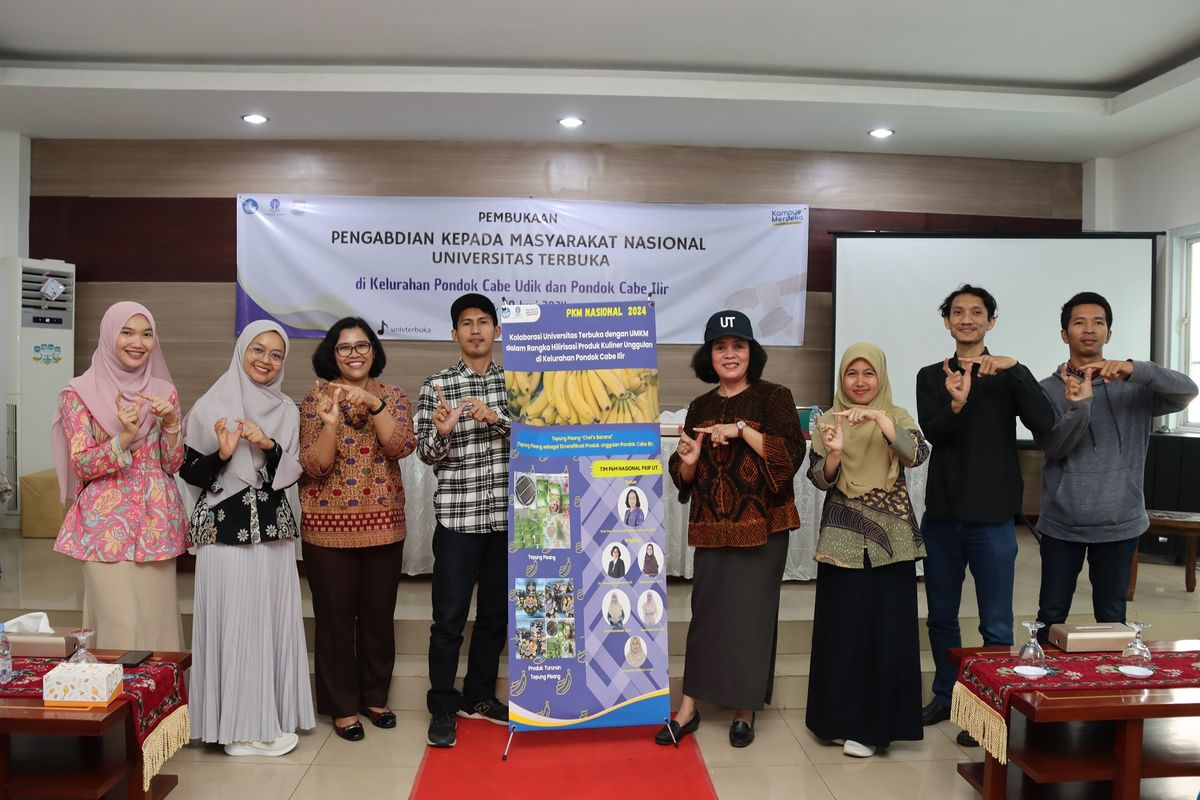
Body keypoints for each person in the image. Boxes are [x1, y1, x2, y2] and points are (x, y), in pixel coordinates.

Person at [915, 285, 1055, 747]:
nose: (967, 319)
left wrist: (1018, 370)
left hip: (993, 516)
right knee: (941, 617)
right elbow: (934, 433)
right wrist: (956, 402)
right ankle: (946, 695)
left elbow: (1045, 422)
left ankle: (988, 706)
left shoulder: (1007, 375)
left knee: (995, 622)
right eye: (958, 312)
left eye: (977, 312)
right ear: (947, 322)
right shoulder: (931, 375)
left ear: (991, 322)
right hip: (943, 515)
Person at [658, 309, 804, 749]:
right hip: (712, 528)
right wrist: (687, 462)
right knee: (705, 618)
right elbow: (684, 472)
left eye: (738, 345)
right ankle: (688, 708)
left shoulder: (774, 397)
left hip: (763, 529)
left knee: (751, 619)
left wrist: (740, 429)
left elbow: (788, 458)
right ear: (709, 355)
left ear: (751, 351)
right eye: (720, 347)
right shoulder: (700, 405)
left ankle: (744, 709)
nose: (729, 354)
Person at [181, 320, 314, 757]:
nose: (266, 360)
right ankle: (237, 731)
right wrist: (223, 453)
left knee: (269, 622)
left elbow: (289, 474)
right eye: (258, 349)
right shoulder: (210, 405)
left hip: (272, 531)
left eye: (276, 354)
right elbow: (189, 472)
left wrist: (269, 445)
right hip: (223, 531)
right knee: (235, 621)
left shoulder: (287, 410)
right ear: (242, 350)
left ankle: (266, 718)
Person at [1034, 292, 1197, 639]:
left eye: (1098, 322)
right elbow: (1054, 446)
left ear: (1109, 333)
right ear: (1064, 334)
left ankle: (1109, 675)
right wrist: (1080, 407)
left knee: (1112, 616)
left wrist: (1137, 370)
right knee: (1051, 614)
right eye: (1079, 322)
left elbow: (1188, 391)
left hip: (1120, 521)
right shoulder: (1046, 390)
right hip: (1063, 522)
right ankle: (1045, 675)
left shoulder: (1134, 387)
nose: (1089, 329)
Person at [806, 343, 928, 758]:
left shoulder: (896, 416)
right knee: (842, 633)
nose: (860, 382)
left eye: (868, 373)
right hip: (841, 539)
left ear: (881, 377)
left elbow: (917, 454)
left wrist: (879, 419)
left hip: (891, 542)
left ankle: (875, 730)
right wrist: (835, 452)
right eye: (851, 373)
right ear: (842, 378)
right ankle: (836, 721)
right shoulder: (828, 419)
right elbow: (819, 480)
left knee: (886, 635)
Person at [299, 317, 415, 742]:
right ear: (332, 355)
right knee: (334, 622)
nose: (354, 353)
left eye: (362, 345)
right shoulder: (314, 399)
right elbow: (315, 465)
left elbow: (401, 446)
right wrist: (330, 422)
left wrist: (374, 405)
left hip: (384, 526)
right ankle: (342, 706)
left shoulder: (393, 396)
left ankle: (374, 698)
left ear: (373, 351)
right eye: (344, 347)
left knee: (378, 618)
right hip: (327, 530)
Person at [51, 301, 187, 650]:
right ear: (110, 335)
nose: (137, 343)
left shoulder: (164, 392)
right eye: (127, 332)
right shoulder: (78, 393)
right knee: (119, 630)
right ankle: (116, 689)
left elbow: (172, 464)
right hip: (104, 528)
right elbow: (81, 463)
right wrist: (123, 439)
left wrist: (172, 424)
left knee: (158, 629)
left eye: (146, 334)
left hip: (156, 524)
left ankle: (161, 690)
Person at [417, 293, 511, 748]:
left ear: (497, 330)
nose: (476, 330)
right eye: (467, 323)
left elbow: (540, 441)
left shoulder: (518, 384)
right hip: (458, 519)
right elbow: (425, 454)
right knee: (448, 620)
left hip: (508, 520)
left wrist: (496, 419)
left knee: (494, 617)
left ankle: (479, 696)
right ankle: (442, 705)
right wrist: (442, 432)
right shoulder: (436, 385)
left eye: (484, 321)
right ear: (454, 333)